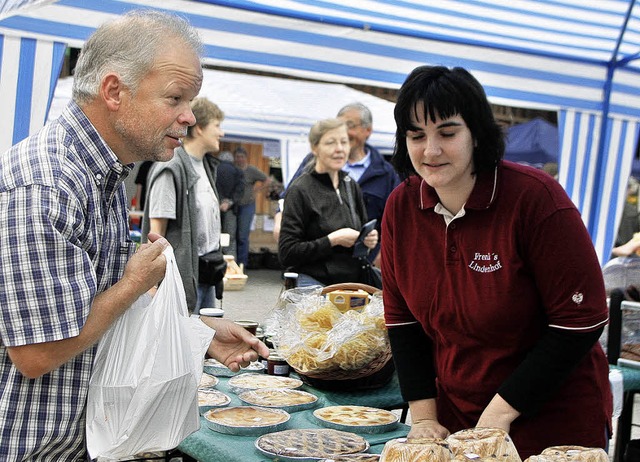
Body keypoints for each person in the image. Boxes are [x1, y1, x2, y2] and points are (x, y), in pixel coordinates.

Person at [0, 11, 267, 460]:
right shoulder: (48, 184)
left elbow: (91, 316)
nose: (188, 116)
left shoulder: (100, 176)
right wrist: (134, 284)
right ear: (113, 91)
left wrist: (195, 334)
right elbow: (39, 352)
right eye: (175, 97)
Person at [381, 65, 611, 459]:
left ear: (477, 133)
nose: (430, 150)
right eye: (416, 135)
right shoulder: (401, 207)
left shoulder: (534, 199)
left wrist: (500, 414)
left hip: (553, 420)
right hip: (459, 414)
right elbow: (403, 323)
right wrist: (422, 416)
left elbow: (580, 321)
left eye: (448, 133)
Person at [273, 103, 399, 267]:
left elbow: (395, 221)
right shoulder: (311, 166)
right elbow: (288, 199)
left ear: (368, 131)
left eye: (350, 126)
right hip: (313, 267)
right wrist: (280, 221)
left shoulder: (385, 173)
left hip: (357, 267)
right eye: (331, 141)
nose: (343, 131)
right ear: (315, 148)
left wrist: (379, 250)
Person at [142, 97, 225, 312]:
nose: (221, 133)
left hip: (205, 276)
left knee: (206, 342)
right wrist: (152, 284)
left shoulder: (206, 167)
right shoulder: (172, 167)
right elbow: (156, 234)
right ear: (199, 129)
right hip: (180, 282)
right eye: (217, 126)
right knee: (184, 344)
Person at [278, 118, 378, 287]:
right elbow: (287, 253)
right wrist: (332, 240)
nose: (339, 149)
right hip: (313, 286)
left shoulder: (350, 184)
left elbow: (359, 234)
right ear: (314, 148)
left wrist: (367, 240)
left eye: (344, 142)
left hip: (350, 285)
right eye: (331, 143)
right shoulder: (300, 189)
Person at [234, 146, 271, 267]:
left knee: (243, 236)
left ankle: (242, 264)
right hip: (233, 206)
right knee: (233, 235)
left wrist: (257, 190)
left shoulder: (251, 170)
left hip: (247, 206)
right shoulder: (233, 169)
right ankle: (232, 263)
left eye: (242, 157)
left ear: (246, 158)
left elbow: (267, 180)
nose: (239, 159)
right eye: (237, 157)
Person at [214, 150, 245, 259]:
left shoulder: (214, 169)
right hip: (231, 209)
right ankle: (230, 264)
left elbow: (213, 186)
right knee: (230, 238)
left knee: (214, 235)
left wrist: (220, 200)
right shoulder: (238, 171)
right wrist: (229, 202)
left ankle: (217, 260)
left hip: (215, 208)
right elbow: (240, 190)